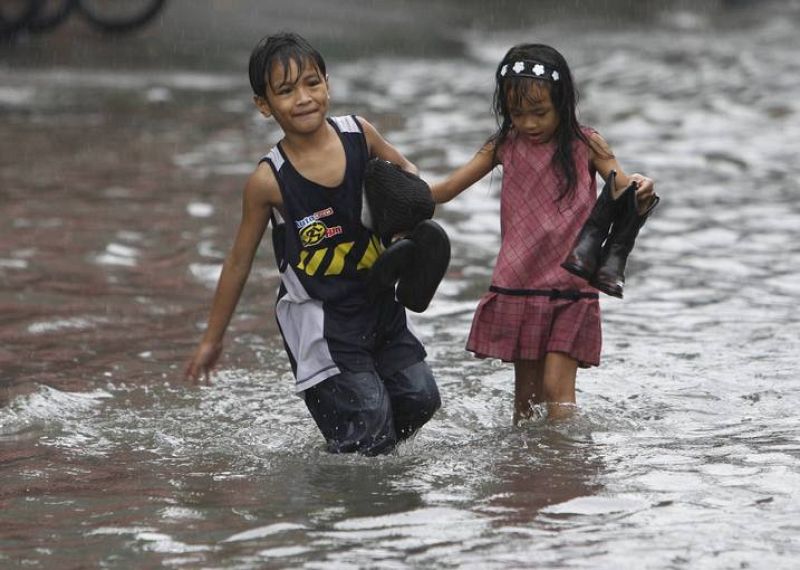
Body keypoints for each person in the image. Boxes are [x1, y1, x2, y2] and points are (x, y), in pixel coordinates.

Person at [184, 32, 441, 455]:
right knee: (370, 418)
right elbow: (237, 262)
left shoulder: (360, 134)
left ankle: (354, 450)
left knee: (420, 397)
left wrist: (403, 211)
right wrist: (213, 338)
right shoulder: (268, 180)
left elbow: (408, 174)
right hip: (324, 322)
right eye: (286, 90)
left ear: (327, 83)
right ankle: (347, 471)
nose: (303, 98)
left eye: (312, 83)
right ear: (263, 105)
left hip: (380, 305)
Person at [430, 43, 658, 423]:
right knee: (526, 400)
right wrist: (390, 181)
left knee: (556, 388)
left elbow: (620, 186)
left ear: (563, 103)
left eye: (540, 112)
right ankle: (529, 473)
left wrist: (641, 186)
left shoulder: (586, 144)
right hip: (520, 282)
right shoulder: (504, 145)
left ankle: (565, 465)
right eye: (518, 114)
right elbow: (446, 190)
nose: (529, 124)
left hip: (571, 284)